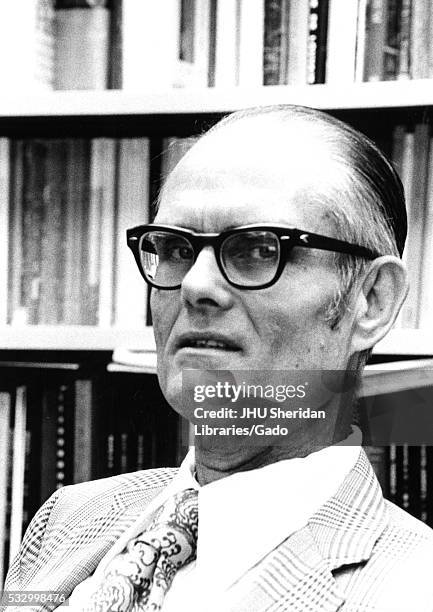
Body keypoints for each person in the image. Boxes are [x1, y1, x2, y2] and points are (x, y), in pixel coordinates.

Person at [3, 105, 433, 612]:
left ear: (372, 301)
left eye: (257, 249)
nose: (195, 284)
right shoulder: (67, 519)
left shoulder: (413, 588)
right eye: (176, 248)